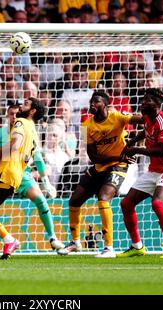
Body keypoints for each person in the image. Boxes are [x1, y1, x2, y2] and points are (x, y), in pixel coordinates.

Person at [0, 103, 64, 251]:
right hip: (9, 173)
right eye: (12, 113)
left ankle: (10, 239)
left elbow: (17, 146)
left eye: (26, 104)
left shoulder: (21, 123)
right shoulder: (28, 129)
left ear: (32, 111)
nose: (18, 111)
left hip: (8, 173)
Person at [58, 91, 142, 258]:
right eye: (91, 101)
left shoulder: (117, 117)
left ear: (105, 104)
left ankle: (109, 248)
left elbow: (139, 119)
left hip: (119, 165)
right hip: (101, 164)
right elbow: (93, 156)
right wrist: (119, 155)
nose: (92, 104)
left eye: (96, 101)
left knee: (103, 198)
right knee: (74, 200)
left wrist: (142, 115)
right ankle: (75, 242)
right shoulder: (86, 125)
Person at [119, 88, 163, 259]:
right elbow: (146, 131)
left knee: (157, 204)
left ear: (156, 104)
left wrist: (137, 149)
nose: (142, 103)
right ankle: (137, 246)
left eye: (146, 100)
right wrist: (132, 140)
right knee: (126, 203)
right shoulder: (148, 118)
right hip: (154, 170)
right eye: (142, 99)